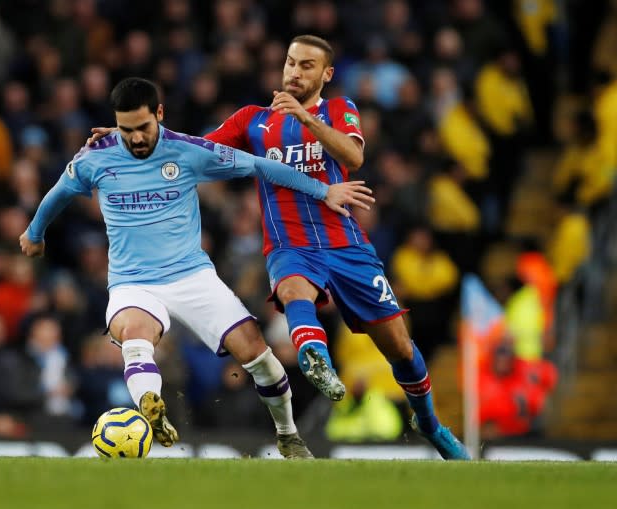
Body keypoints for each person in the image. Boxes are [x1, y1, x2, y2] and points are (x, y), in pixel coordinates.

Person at [88, 37, 470, 460]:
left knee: (401, 349)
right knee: (292, 291)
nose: (294, 72)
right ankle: (315, 357)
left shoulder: (340, 110)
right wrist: (137, 137)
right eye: (290, 63)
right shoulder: (253, 121)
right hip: (290, 246)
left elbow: (353, 157)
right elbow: (194, 151)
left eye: (306, 65)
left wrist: (307, 119)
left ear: (325, 74)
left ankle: (430, 424)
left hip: (347, 246)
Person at [20, 77, 374, 458]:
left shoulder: (189, 152)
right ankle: (151, 406)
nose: (136, 138)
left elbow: (260, 166)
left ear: (159, 114)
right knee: (136, 335)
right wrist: (34, 232)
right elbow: (58, 193)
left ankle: (288, 434)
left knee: (259, 355)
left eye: (143, 128)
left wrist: (324, 191)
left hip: (192, 276)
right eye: (126, 130)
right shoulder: (95, 158)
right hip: (132, 282)